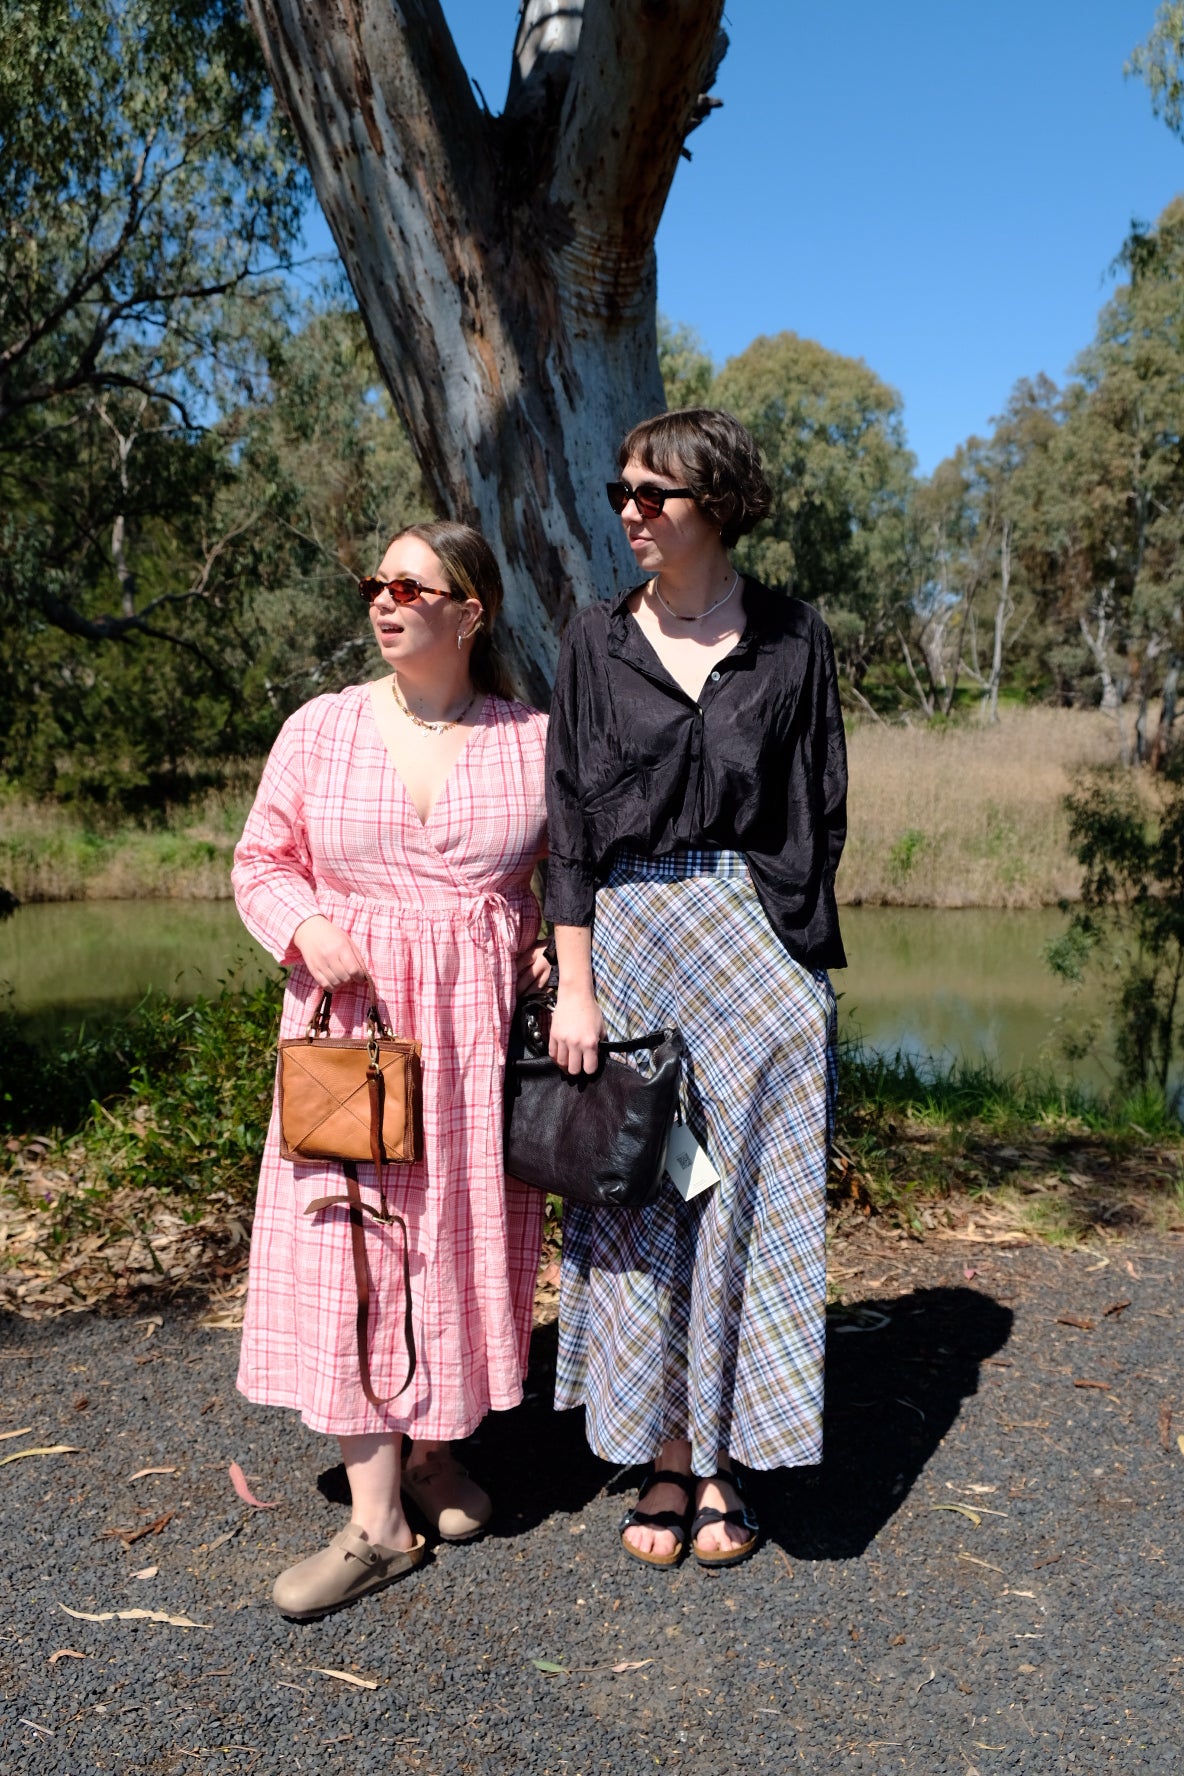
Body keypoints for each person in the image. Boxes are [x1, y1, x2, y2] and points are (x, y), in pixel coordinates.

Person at [544, 408, 846, 1569]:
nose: (628, 511)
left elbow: (818, 811)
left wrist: (797, 968)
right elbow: (568, 821)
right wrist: (574, 985)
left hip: (752, 948)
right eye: (619, 490)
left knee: (742, 1215)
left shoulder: (790, 639)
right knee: (646, 1204)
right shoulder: (591, 642)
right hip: (626, 945)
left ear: (712, 503)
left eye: (652, 494)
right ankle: (662, 1455)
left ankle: (724, 1464)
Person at [232, 520, 550, 1618]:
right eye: (376, 582)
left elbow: (565, 876)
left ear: (472, 610)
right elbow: (259, 862)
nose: (384, 600)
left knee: (456, 1240)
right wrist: (305, 926)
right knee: (352, 1253)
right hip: (350, 1027)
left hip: (468, 1035)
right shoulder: (320, 729)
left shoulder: (529, 738)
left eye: (411, 585)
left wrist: (546, 939)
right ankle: (376, 1525)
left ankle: (433, 1458)